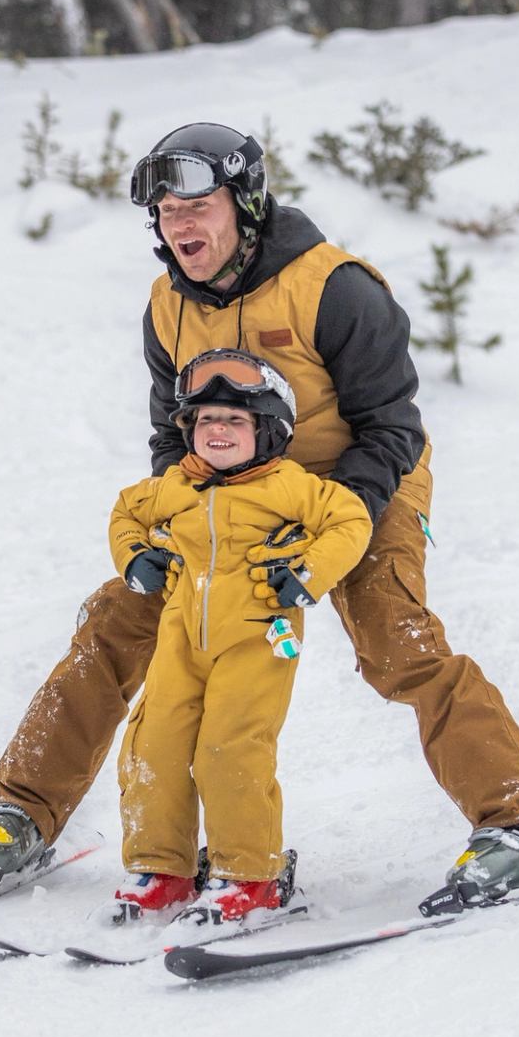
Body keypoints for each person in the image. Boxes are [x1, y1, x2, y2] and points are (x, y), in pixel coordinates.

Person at [0, 121, 519, 911]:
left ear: (246, 203)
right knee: (122, 616)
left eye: (198, 206)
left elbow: (393, 427)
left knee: (394, 639)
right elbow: (172, 433)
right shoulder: (166, 306)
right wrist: (184, 518)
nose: (179, 226)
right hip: (233, 494)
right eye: (164, 213)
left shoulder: (335, 288)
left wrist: (331, 530)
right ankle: (22, 812)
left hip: (358, 483)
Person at [106, 350, 372, 923]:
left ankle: (250, 876)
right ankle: (164, 868)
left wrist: (307, 573)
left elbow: (351, 520)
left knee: (230, 748)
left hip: (259, 639)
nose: (217, 431)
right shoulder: (174, 485)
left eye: (234, 420)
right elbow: (125, 513)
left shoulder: (290, 486)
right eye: (204, 420)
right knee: (155, 744)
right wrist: (136, 558)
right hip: (181, 639)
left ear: (269, 431)